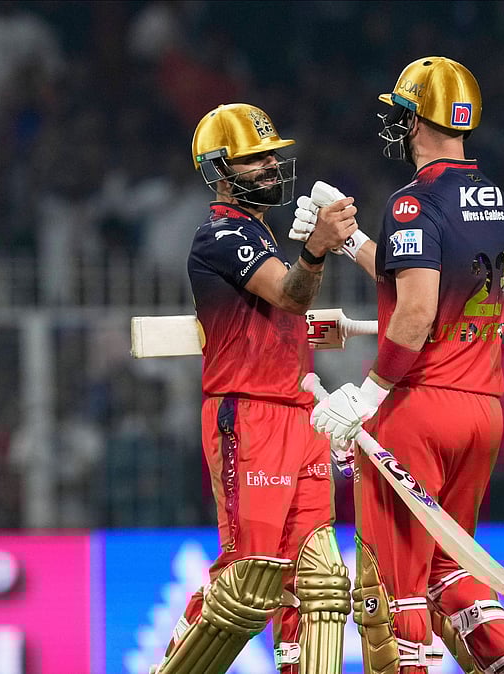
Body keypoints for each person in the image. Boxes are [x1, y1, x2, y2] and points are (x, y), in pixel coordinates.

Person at [309, 58, 504, 673]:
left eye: (402, 111)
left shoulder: (412, 203)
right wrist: (354, 244)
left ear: (416, 119)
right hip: (482, 409)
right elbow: (424, 274)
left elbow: (415, 312)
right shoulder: (491, 198)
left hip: (419, 413)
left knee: (390, 595)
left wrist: (367, 395)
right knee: (450, 573)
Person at [150, 103, 358, 674]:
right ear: (220, 167)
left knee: (320, 587)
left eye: (271, 155)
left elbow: (287, 314)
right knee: (250, 579)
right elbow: (290, 295)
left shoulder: (258, 231)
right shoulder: (219, 234)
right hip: (250, 416)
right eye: (254, 158)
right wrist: (316, 248)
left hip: (300, 414)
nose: (270, 166)